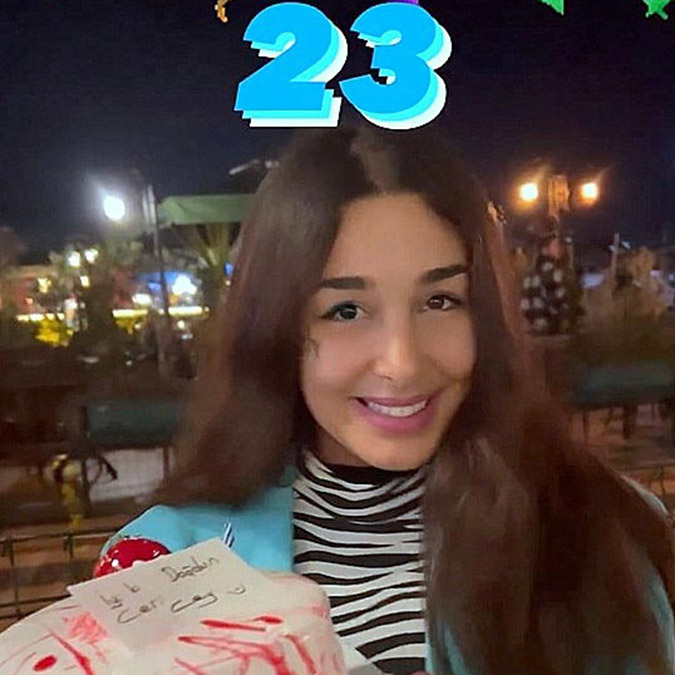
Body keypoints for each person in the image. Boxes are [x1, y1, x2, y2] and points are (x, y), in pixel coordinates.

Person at [101, 128, 674, 675]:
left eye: (440, 301)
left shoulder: (598, 529)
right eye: (346, 310)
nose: (401, 363)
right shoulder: (161, 562)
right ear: (276, 329)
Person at [521, 232, 573, 335]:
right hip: (548, 325)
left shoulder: (531, 273)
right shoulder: (550, 271)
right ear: (544, 250)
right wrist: (565, 314)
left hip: (534, 324)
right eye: (556, 246)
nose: (560, 249)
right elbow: (554, 298)